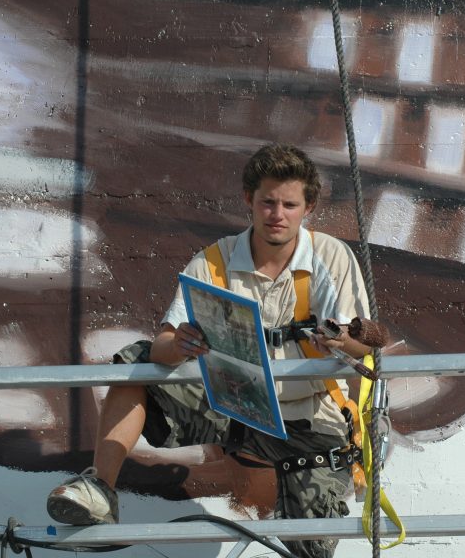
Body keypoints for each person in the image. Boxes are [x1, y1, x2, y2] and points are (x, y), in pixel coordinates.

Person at [46, 144, 372, 558]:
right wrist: (179, 344)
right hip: (234, 408)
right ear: (248, 201)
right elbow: (162, 346)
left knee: (311, 546)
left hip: (309, 418)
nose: (277, 214)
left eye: (290, 204)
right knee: (135, 362)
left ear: (308, 208)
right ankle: (99, 491)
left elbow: (363, 346)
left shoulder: (330, 256)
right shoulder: (214, 261)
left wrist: (342, 339)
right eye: (267, 202)